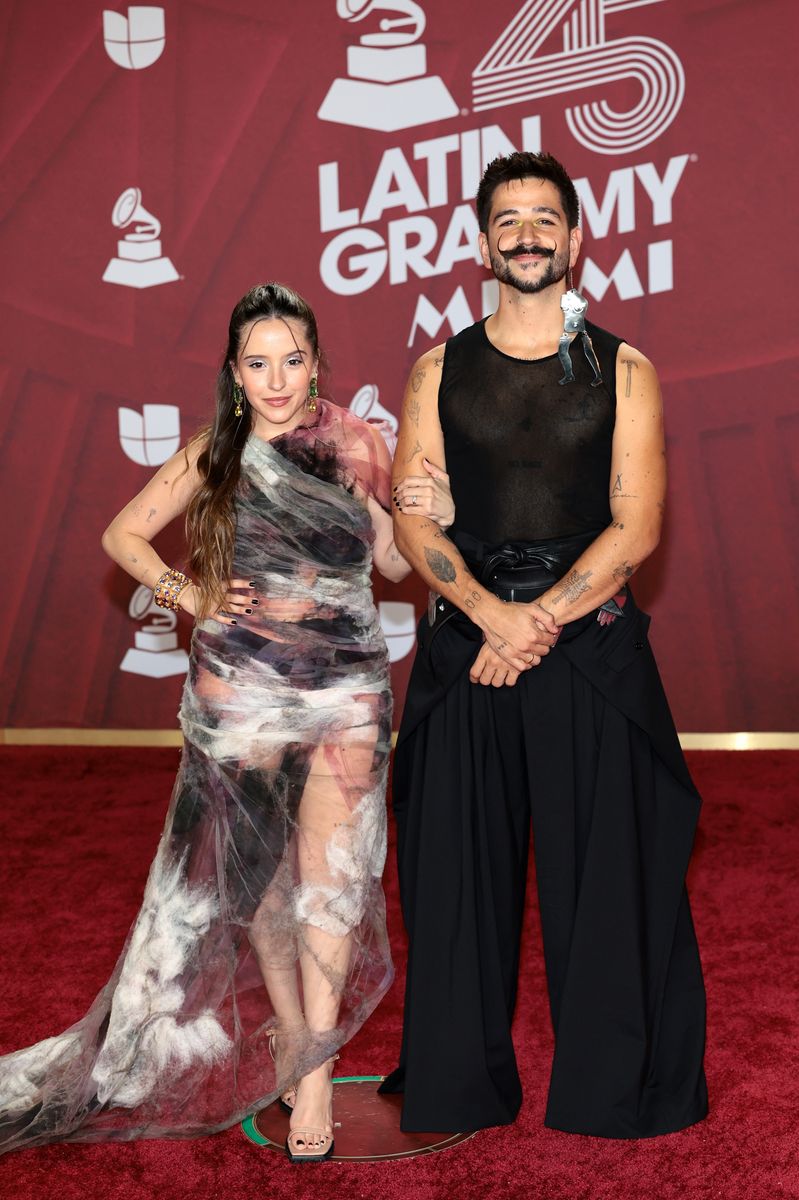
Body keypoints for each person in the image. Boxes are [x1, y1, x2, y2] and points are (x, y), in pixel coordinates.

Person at [0, 282, 454, 1162]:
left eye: (293, 360)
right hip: (239, 695)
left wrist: (425, 511)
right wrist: (189, 592)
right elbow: (124, 534)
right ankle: (294, 1035)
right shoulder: (219, 449)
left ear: (318, 362)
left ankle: (314, 1072)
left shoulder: (361, 443)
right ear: (234, 371)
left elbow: (397, 566)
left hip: (347, 690)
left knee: (333, 877)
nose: (277, 379)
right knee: (266, 884)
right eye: (258, 362)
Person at [380, 152, 708, 1139]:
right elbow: (412, 523)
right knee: (452, 883)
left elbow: (633, 527)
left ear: (573, 237)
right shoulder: (437, 369)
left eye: (543, 219)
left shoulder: (624, 369)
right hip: (466, 653)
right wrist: (489, 612)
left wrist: (534, 623)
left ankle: (614, 1093)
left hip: (587, 659)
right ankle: (458, 1084)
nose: (525, 235)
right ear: (482, 241)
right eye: (507, 219)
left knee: (607, 886)